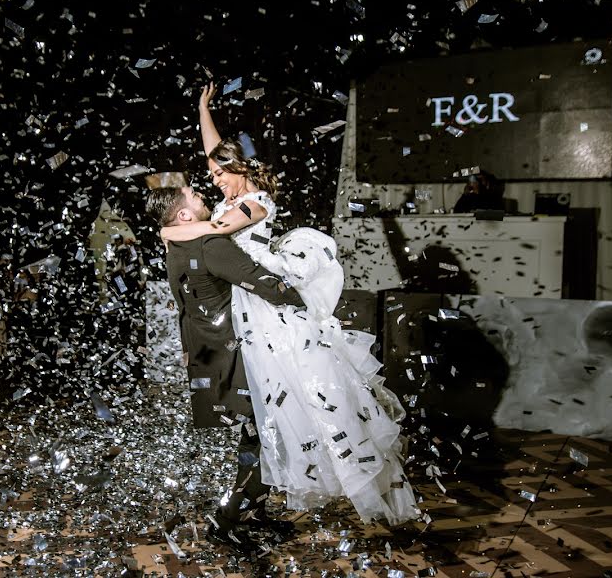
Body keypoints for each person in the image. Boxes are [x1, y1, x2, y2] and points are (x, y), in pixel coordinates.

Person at [158, 82, 419, 525]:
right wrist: (203, 108)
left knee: (300, 400)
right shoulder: (230, 194)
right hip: (248, 309)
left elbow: (212, 232)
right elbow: (213, 153)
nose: (215, 179)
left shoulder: (254, 203)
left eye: (221, 174)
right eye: (214, 176)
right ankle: (252, 496)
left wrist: (167, 231)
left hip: (269, 313)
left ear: (240, 171)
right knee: (268, 412)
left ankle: (266, 496)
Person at [145, 185, 305, 550]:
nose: (207, 201)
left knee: (255, 435)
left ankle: (255, 511)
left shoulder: (176, 247)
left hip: (211, 356)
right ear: (184, 216)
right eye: (197, 201)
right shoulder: (208, 245)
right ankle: (227, 519)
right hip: (235, 359)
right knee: (272, 436)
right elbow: (266, 285)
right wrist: (312, 303)